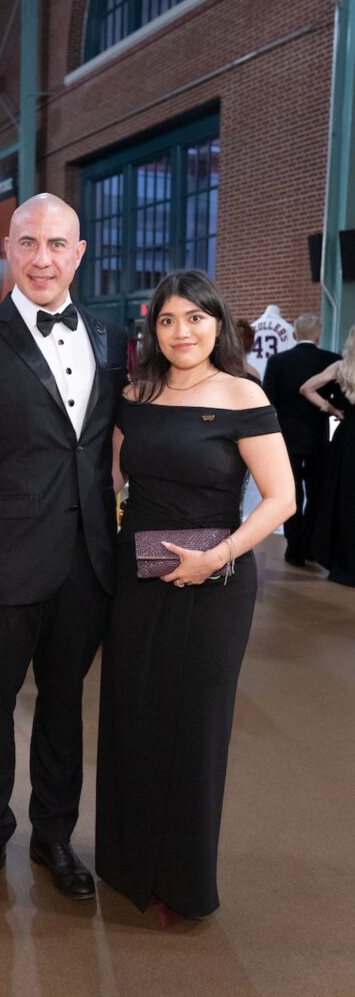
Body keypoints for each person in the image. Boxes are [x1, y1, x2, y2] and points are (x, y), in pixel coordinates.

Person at [0, 193, 127, 906]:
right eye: (27, 242)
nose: (42, 258)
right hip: (2, 566)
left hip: (88, 562)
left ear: (79, 253)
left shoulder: (110, 337)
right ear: (8, 250)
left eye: (56, 244)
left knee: (64, 707)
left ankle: (54, 836)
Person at [96, 269, 295, 926]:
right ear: (152, 330)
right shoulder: (135, 394)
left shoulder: (242, 394)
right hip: (138, 581)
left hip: (214, 584)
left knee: (194, 730)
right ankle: (128, 864)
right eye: (167, 320)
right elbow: (113, 482)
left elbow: (281, 499)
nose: (181, 331)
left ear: (217, 324)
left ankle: (181, 882)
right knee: (132, 718)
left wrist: (219, 556)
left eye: (195, 318)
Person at [262, 313, 341, 566]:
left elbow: (268, 400)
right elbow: (338, 399)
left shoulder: (277, 361)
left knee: (290, 494)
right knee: (317, 493)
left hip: (287, 438)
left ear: (295, 334)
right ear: (318, 335)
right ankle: (311, 546)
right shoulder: (332, 360)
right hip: (320, 438)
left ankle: (294, 550)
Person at [300, 325, 355, 587]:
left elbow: (306, 388)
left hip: (347, 441)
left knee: (345, 502)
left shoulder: (342, 367)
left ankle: (345, 564)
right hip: (346, 442)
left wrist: (331, 409)